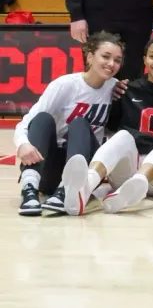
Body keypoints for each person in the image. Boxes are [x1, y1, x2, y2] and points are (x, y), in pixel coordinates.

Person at [14, 32, 122, 216]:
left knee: (80, 123)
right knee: (42, 119)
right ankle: (29, 189)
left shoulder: (115, 87)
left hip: (86, 169)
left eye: (117, 60)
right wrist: (23, 144)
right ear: (90, 56)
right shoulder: (65, 85)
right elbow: (29, 120)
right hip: (51, 167)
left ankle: (67, 190)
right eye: (105, 56)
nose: (111, 64)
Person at [85, 38, 153, 214]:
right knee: (122, 135)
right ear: (145, 60)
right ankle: (85, 185)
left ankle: (140, 182)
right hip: (125, 174)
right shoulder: (127, 89)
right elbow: (110, 128)